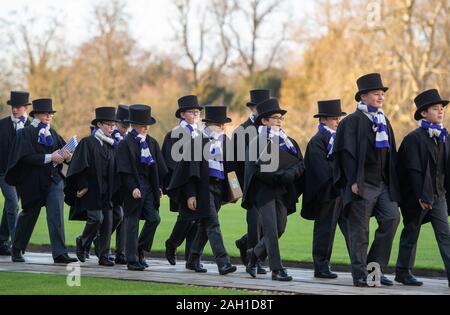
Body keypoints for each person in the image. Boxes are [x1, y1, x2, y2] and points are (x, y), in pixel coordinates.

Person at [333, 73, 401, 287]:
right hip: (361, 184)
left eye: (382, 94)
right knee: (359, 231)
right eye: (376, 93)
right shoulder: (351, 122)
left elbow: (391, 154)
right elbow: (345, 153)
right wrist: (352, 180)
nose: (381, 97)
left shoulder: (384, 120)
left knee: (391, 219)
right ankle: (360, 274)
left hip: (382, 184)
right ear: (363, 97)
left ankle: (373, 269)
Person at [6, 98, 77, 264]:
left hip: (54, 181)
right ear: (36, 114)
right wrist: (50, 157)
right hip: (32, 182)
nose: (49, 116)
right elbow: (23, 158)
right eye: (46, 113)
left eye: (51, 113)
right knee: (28, 216)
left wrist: (68, 156)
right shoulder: (25, 133)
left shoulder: (52, 133)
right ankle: (16, 249)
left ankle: (60, 253)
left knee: (56, 216)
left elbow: (62, 153)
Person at [168, 105, 237, 276]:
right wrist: (191, 194)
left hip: (219, 188)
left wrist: (234, 191)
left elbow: (232, 169)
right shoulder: (197, 141)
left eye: (224, 125)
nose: (222, 128)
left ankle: (193, 258)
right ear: (210, 125)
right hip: (203, 189)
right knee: (213, 224)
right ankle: (223, 262)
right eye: (220, 125)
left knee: (204, 227)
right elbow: (190, 171)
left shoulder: (225, 142)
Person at [243, 98, 305, 282]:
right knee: (270, 230)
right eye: (275, 118)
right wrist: (280, 176)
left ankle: (253, 255)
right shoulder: (256, 142)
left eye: (280, 118)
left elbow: (301, 163)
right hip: (264, 192)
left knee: (279, 228)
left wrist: (290, 174)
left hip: (283, 191)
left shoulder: (289, 142)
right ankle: (277, 269)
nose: (279, 121)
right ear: (264, 121)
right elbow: (257, 169)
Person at [395, 89, 450, 287]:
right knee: (411, 232)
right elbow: (411, 170)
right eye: (435, 108)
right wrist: (420, 195)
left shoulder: (445, 136)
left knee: (445, 236)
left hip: (439, 195)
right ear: (424, 113)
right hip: (416, 196)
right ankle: (402, 271)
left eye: (442, 108)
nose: (441, 111)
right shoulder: (413, 138)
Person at [116, 105, 168, 271]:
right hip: (134, 188)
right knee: (132, 223)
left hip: (149, 187)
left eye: (147, 125)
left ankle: (139, 249)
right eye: (142, 124)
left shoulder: (151, 143)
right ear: (133, 125)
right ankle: (131, 260)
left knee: (154, 219)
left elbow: (159, 168)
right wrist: (132, 188)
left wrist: (159, 186)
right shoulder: (125, 144)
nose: (146, 128)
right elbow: (123, 170)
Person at [301, 99, 349, 279]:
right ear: (323, 120)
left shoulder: (339, 139)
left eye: (338, 118)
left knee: (352, 231)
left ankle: (361, 266)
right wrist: (338, 182)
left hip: (343, 192)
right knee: (325, 231)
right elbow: (321, 170)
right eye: (334, 118)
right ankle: (321, 266)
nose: (337, 122)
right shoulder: (317, 141)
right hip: (327, 193)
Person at [66, 107, 119, 267]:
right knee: (97, 218)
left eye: (113, 125)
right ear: (100, 124)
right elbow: (78, 165)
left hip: (108, 190)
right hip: (91, 189)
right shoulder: (87, 143)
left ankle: (104, 256)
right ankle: (82, 241)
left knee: (111, 220)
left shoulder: (111, 146)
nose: (112, 128)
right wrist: (82, 185)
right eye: (109, 125)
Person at [162, 95, 203, 266]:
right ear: (183, 114)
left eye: (198, 112)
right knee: (187, 218)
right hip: (182, 184)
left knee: (196, 221)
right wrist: (188, 191)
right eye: (193, 112)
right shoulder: (174, 135)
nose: (196, 115)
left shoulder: (200, 134)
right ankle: (172, 243)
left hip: (199, 183)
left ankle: (191, 259)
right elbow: (172, 164)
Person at [234, 90, 269, 275]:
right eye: (260, 107)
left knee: (270, 224)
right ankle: (256, 260)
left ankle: (245, 243)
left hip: (270, 185)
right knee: (254, 222)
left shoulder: (272, 130)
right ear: (252, 108)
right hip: (249, 186)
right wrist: (236, 190)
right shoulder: (242, 131)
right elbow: (233, 165)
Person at [0, 91, 31, 256]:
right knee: (13, 204)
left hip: (23, 175)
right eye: (13, 107)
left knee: (9, 207)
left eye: (18, 107)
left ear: (25, 108)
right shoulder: (2, 125)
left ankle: (1, 240)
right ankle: (16, 245)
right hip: (4, 173)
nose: (14, 110)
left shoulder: (32, 126)